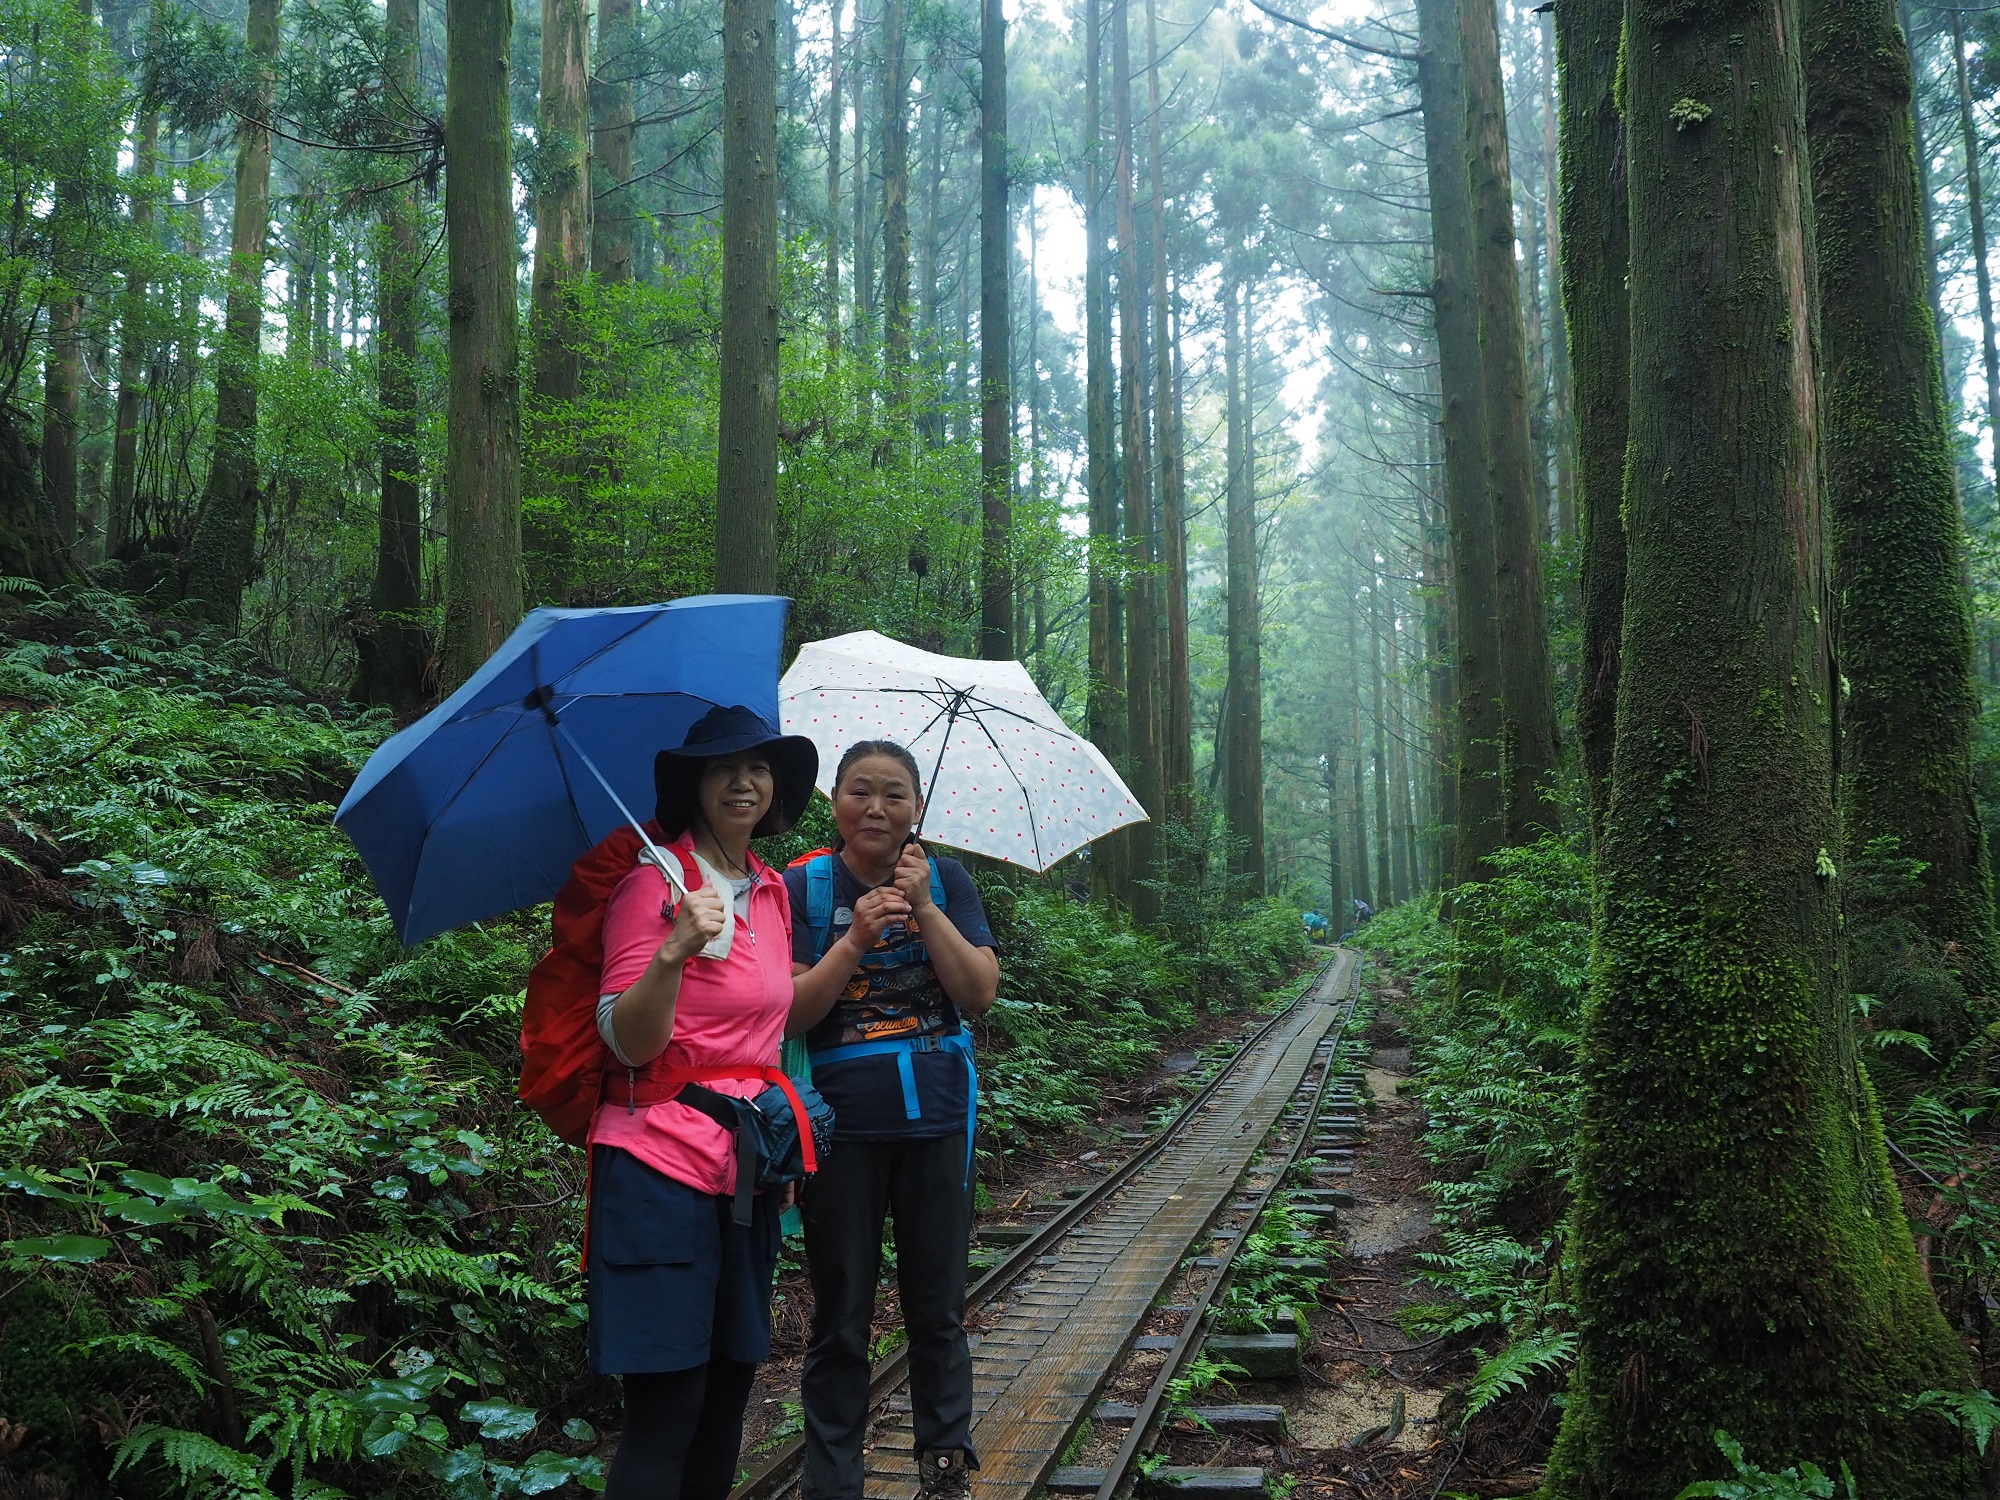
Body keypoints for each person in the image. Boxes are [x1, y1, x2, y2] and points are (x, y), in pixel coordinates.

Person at [586, 705, 818, 1500]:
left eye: (758, 767)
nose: (744, 780)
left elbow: (764, 1039)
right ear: (694, 785)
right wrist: (673, 952)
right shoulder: (652, 886)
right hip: (656, 1169)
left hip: (744, 1177)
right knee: (668, 1406)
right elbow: (628, 1039)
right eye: (723, 767)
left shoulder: (772, 893)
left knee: (728, 1397)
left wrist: (777, 1146)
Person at [787, 741, 1000, 1500]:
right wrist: (853, 940)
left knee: (937, 1307)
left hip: (937, 1120)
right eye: (860, 792)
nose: (876, 808)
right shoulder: (803, 887)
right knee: (841, 1312)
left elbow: (977, 993)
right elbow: (791, 1010)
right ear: (833, 799)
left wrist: (928, 908)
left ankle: (944, 1463)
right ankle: (833, 1480)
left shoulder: (944, 878)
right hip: (840, 1131)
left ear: (917, 807)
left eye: (894, 795)